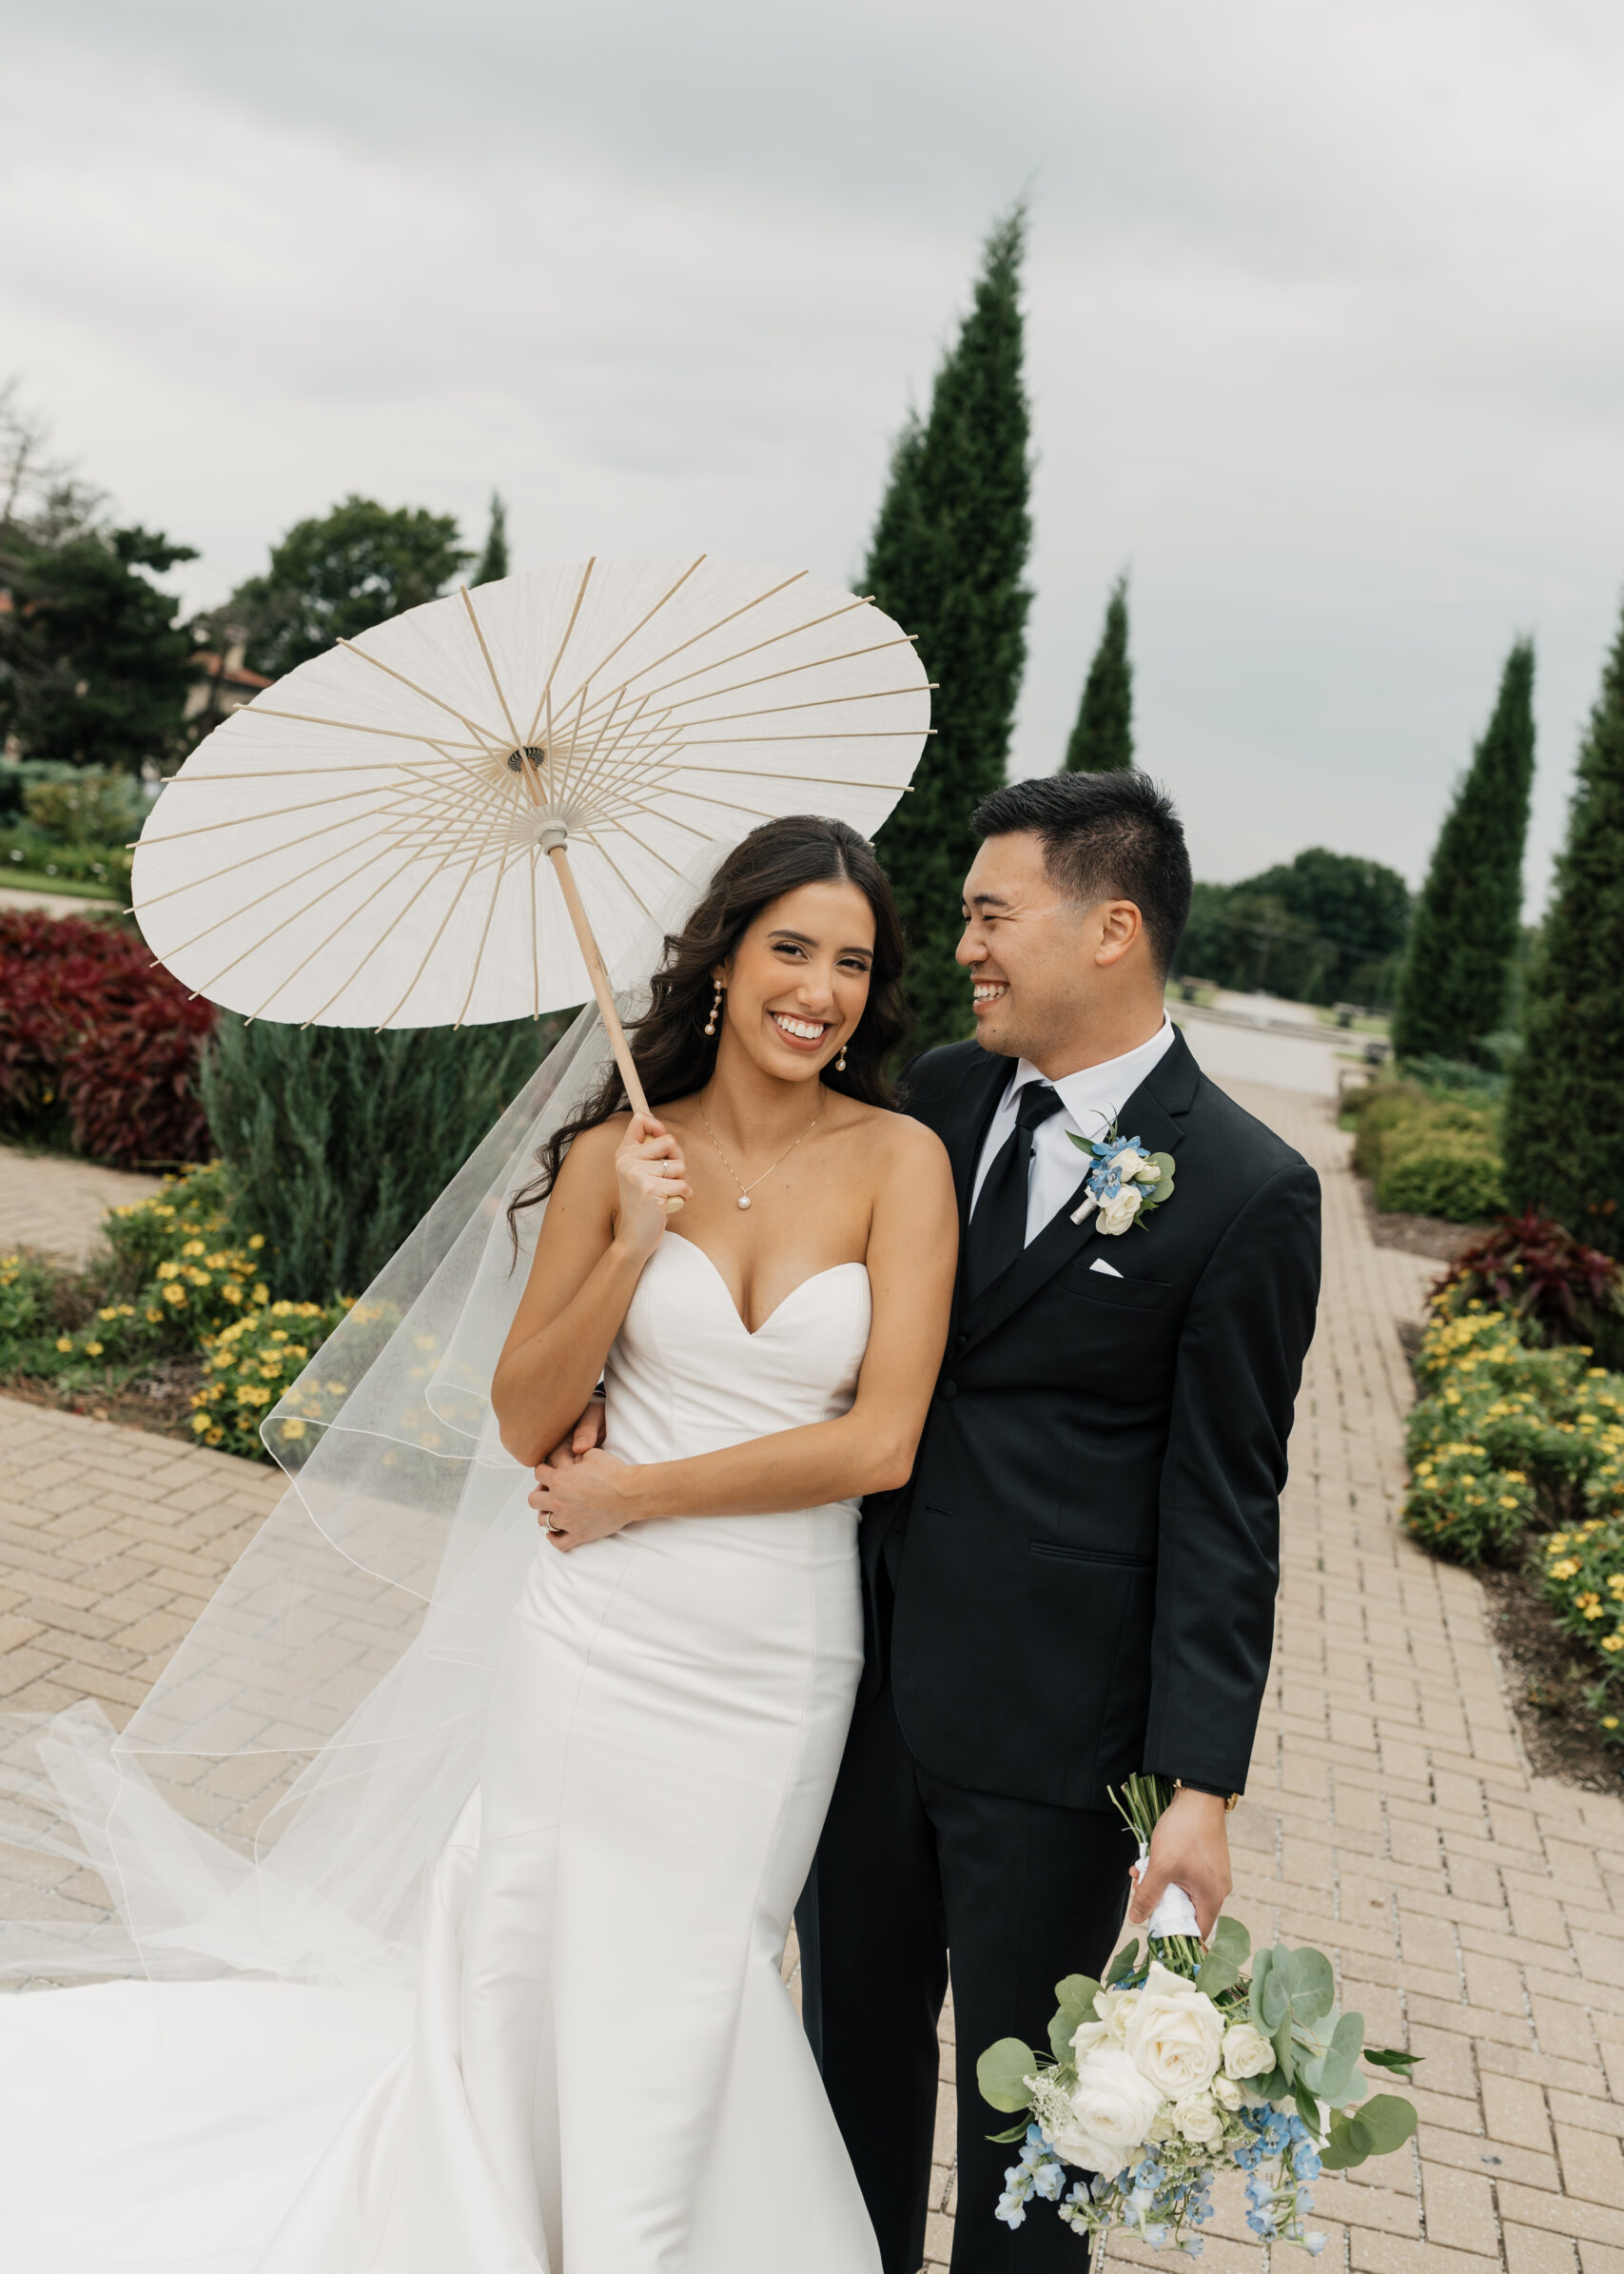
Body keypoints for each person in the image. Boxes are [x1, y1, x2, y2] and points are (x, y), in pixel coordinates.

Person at [0, 814, 957, 2274]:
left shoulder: (902, 1164)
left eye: (852, 963)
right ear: (722, 962)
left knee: (701, 1960)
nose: (819, 990)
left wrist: (642, 1492)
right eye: (791, 949)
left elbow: (879, 1443)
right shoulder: (616, 1156)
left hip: (777, 1651)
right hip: (596, 1640)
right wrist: (630, 1243)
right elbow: (524, 1415)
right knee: (537, 1927)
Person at [793, 772, 1323, 2274]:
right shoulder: (939, 1097)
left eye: (991, 915)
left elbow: (1229, 1502)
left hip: (1053, 1740)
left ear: (1112, 930)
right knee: (840, 2076)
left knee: (1028, 2146)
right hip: (861, 1686)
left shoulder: (1248, 1189)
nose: (963, 946)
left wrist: (1201, 1785)